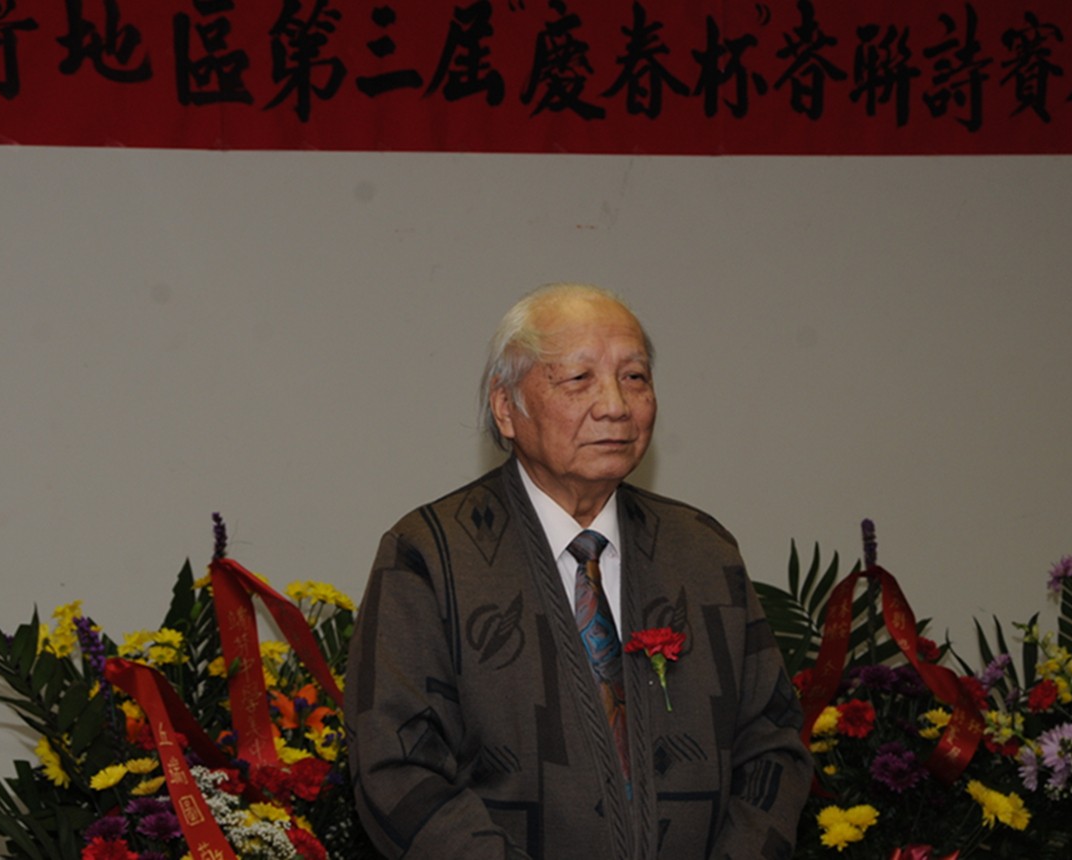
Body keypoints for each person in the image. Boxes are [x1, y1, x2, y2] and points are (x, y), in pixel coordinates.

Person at [345, 283, 811, 859]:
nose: (615, 405)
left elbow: (772, 744)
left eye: (634, 377)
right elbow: (397, 767)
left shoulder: (702, 553)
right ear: (505, 408)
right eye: (579, 378)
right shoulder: (430, 556)